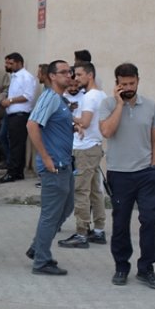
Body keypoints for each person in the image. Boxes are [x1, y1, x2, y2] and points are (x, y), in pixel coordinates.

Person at [98, 63, 155, 290]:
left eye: (132, 83)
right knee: (120, 223)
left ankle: (146, 268)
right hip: (119, 174)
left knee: (149, 220)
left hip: (146, 174)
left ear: (138, 81)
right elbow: (107, 131)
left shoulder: (151, 106)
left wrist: (154, 167)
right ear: (116, 84)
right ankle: (121, 266)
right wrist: (119, 105)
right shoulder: (107, 105)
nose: (128, 87)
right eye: (123, 84)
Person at [25, 60, 76, 276]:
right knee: (51, 214)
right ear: (52, 76)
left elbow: (55, 124)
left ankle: (38, 247)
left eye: (69, 72)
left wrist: (74, 125)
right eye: (63, 72)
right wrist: (45, 157)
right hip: (54, 165)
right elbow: (32, 125)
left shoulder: (59, 99)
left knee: (66, 208)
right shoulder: (49, 97)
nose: (69, 76)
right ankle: (41, 261)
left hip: (65, 163)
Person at [58, 62, 108, 249]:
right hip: (94, 146)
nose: (75, 78)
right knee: (95, 191)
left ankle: (81, 233)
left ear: (90, 75)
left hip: (85, 150)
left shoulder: (90, 97)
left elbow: (85, 122)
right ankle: (99, 230)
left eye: (79, 75)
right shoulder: (101, 95)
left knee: (81, 191)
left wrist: (67, 114)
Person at [0, 52, 35, 183]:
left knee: (16, 144)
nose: (8, 65)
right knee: (9, 140)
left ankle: (13, 172)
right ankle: (17, 170)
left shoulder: (26, 77)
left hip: (20, 115)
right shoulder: (13, 76)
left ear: (19, 63)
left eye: (11, 63)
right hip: (11, 113)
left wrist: (11, 100)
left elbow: (28, 96)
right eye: (7, 63)